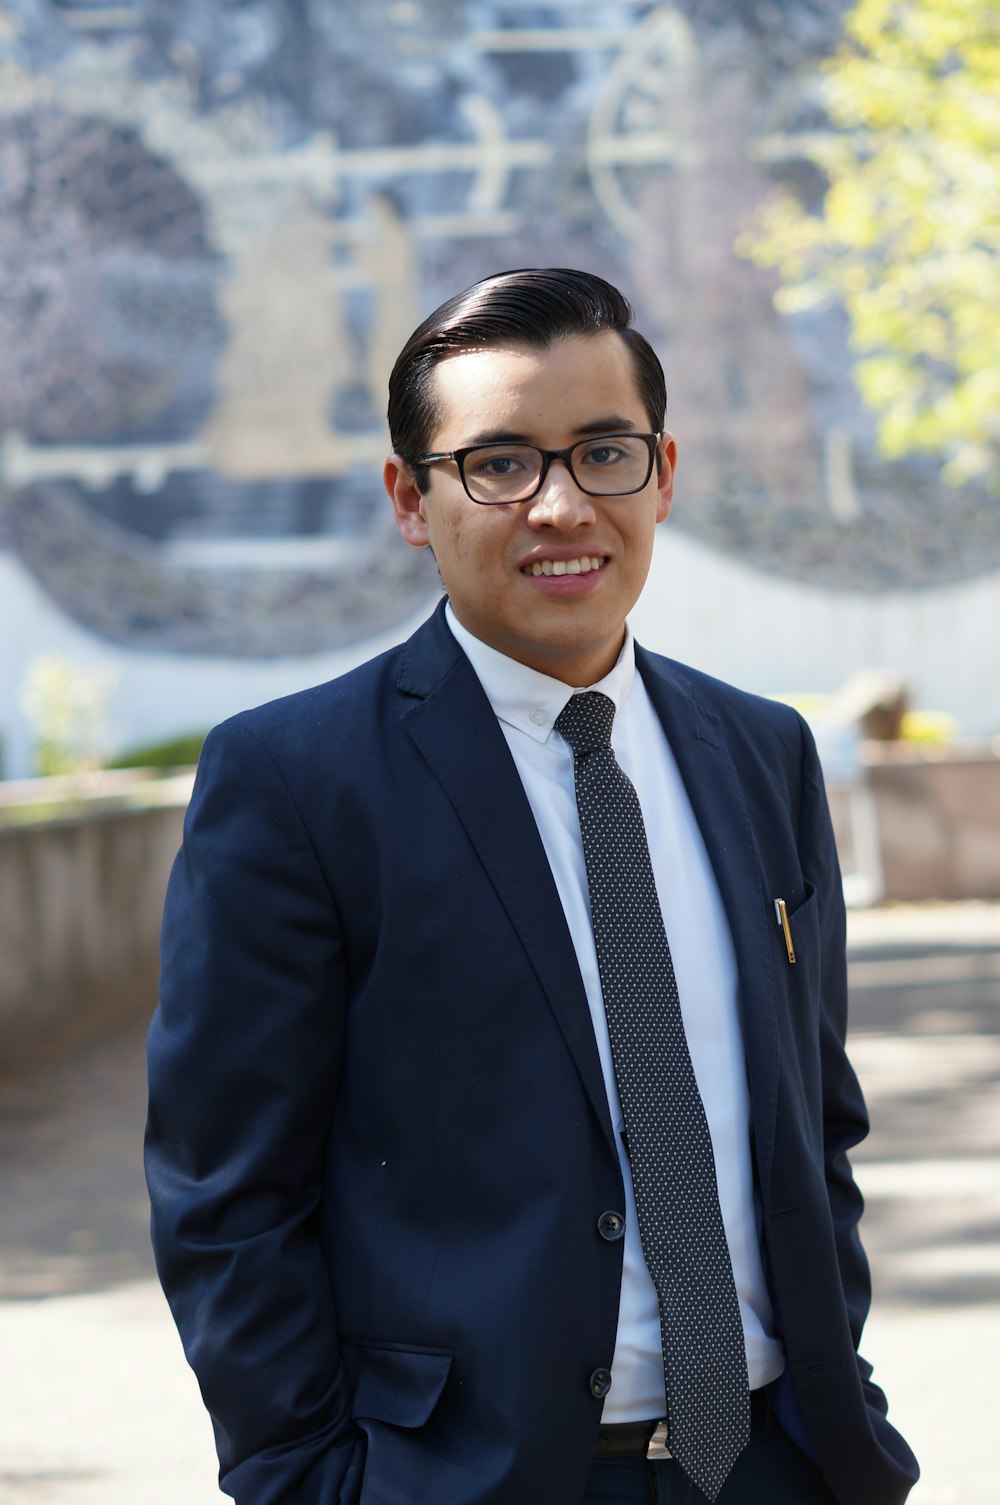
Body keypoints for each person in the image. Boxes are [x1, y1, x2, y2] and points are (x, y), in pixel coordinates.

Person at [145, 268, 918, 1505]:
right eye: (498, 463)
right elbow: (227, 1193)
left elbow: (811, 1123)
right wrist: (306, 1481)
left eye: (602, 451)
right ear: (412, 497)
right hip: (470, 1477)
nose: (561, 506)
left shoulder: (763, 752)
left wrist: (846, 1403)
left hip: (781, 1460)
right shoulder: (295, 779)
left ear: (663, 472)